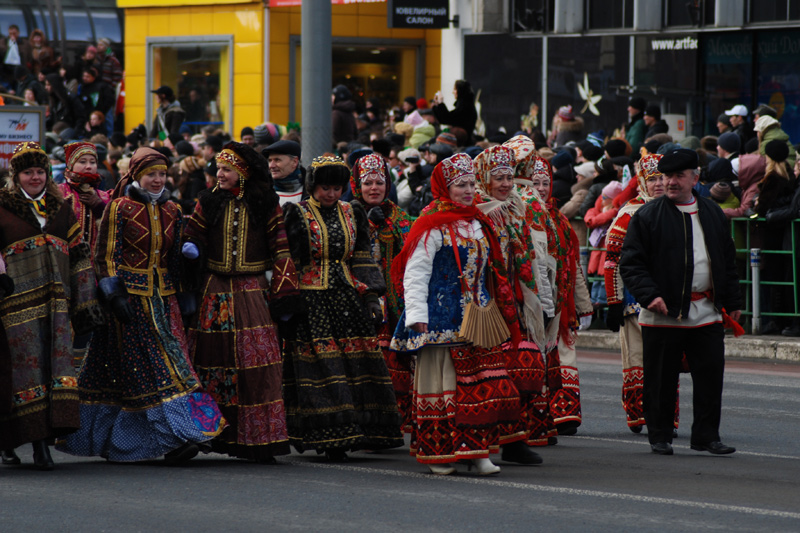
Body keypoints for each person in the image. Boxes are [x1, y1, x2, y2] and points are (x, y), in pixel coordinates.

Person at [57, 148, 226, 464]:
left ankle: (185, 433)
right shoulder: (120, 208)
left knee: (174, 366)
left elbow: (175, 259)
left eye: (162, 174)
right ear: (136, 176)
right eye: (151, 174)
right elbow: (104, 256)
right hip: (129, 302)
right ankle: (176, 437)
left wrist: (191, 263)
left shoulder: (173, 210)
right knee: (149, 371)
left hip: (165, 300)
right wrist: (114, 295)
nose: (157, 179)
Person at [390, 153, 523, 475]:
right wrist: (416, 316)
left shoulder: (478, 221)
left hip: (478, 317)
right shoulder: (431, 224)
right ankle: (442, 452)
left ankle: (478, 452)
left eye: (471, 184)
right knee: (444, 384)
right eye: (460, 185)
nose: (467, 190)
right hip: (440, 319)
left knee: (479, 384)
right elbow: (415, 273)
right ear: (444, 188)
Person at [182, 142, 302, 463]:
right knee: (210, 363)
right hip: (214, 290)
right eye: (218, 169)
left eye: (226, 170)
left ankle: (258, 439)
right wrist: (190, 246)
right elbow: (193, 233)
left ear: (243, 173)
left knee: (257, 364)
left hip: (252, 293)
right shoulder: (208, 201)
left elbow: (281, 247)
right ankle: (203, 433)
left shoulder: (265, 203)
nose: (219, 174)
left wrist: (285, 294)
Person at [620, 148, 742, 456]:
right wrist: (651, 296)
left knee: (711, 375)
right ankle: (659, 435)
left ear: (695, 178)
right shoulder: (647, 216)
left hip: (706, 310)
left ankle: (706, 435)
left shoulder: (712, 212)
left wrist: (732, 300)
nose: (671, 182)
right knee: (660, 377)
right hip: (663, 313)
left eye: (678, 176)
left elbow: (727, 260)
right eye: (666, 176)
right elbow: (632, 264)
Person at [282, 156, 403, 461]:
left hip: (348, 298)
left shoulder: (353, 212)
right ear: (312, 186)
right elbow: (290, 261)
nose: (331, 194)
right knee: (323, 366)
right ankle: (330, 435)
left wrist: (372, 297)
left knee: (357, 363)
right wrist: (286, 303)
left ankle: (362, 431)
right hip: (311, 302)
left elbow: (362, 256)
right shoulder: (296, 213)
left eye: (337, 188)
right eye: (325, 188)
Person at [0, 142, 103, 470]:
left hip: (56, 309)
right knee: (21, 377)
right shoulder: (2, 208)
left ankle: (44, 445)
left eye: (40, 171)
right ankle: (16, 443)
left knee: (53, 372)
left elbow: (80, 256)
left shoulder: (61, 209)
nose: (35, 177)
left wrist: (86, 304)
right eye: (28, 172)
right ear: (15, 176)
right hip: (15, 310)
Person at [474, 145, 547, 463]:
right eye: (497, 178)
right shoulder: (474, 210)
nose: (505, 184)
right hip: (483, 302)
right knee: (486, 374)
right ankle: (481, 443)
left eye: (508, 177)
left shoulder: (515, 208)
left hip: (513, 301)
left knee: (516, 370)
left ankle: (514, 441)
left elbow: (528, 257)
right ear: (483, 179)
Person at [604, 154, 681, 433]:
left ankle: (665, 418)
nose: (659, 184)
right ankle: (641, 414)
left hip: (670, 301)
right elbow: (612, 261)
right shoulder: (629, 213)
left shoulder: (679, 210)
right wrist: (613, 301)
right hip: (634, 303)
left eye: (662, 178)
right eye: (653, 179)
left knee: (667, 362)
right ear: (643, 183)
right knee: (638, 359)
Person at [350, 153, 415, 432]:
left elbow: (411, 253)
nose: (374, 188)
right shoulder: (346, 213)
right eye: (367, 183)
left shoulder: (400, 217)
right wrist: (367, 222)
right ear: (357, 185)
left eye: (379, 182)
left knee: (395, 360)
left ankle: (395, 419)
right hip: (360, 300)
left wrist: (385, 224)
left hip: (396, 302)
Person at [528, 155, 593, 436]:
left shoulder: (560, 221)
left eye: (545, 183)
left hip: (561, 302)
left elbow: (573, 266)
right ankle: (542, 414)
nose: (541, 188)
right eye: (535, 183)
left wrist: (584, 304)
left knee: (565, 354)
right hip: (533, 302)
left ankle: (565, 413)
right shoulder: (524, 217)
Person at [432, 80, 478, 144]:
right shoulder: (465, 105)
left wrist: (440, 104)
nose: (452, 92)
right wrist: (437, 105)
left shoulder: (466, 107)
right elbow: (444, 119)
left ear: (460, 91)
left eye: (455, 89)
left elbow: (447, 118)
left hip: (463, 143)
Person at [262, 140, 305, 206]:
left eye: (277, 160)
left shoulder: (312, 193)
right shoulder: (263, 194)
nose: (271, 166)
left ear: (294, 162)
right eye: (270, 161)